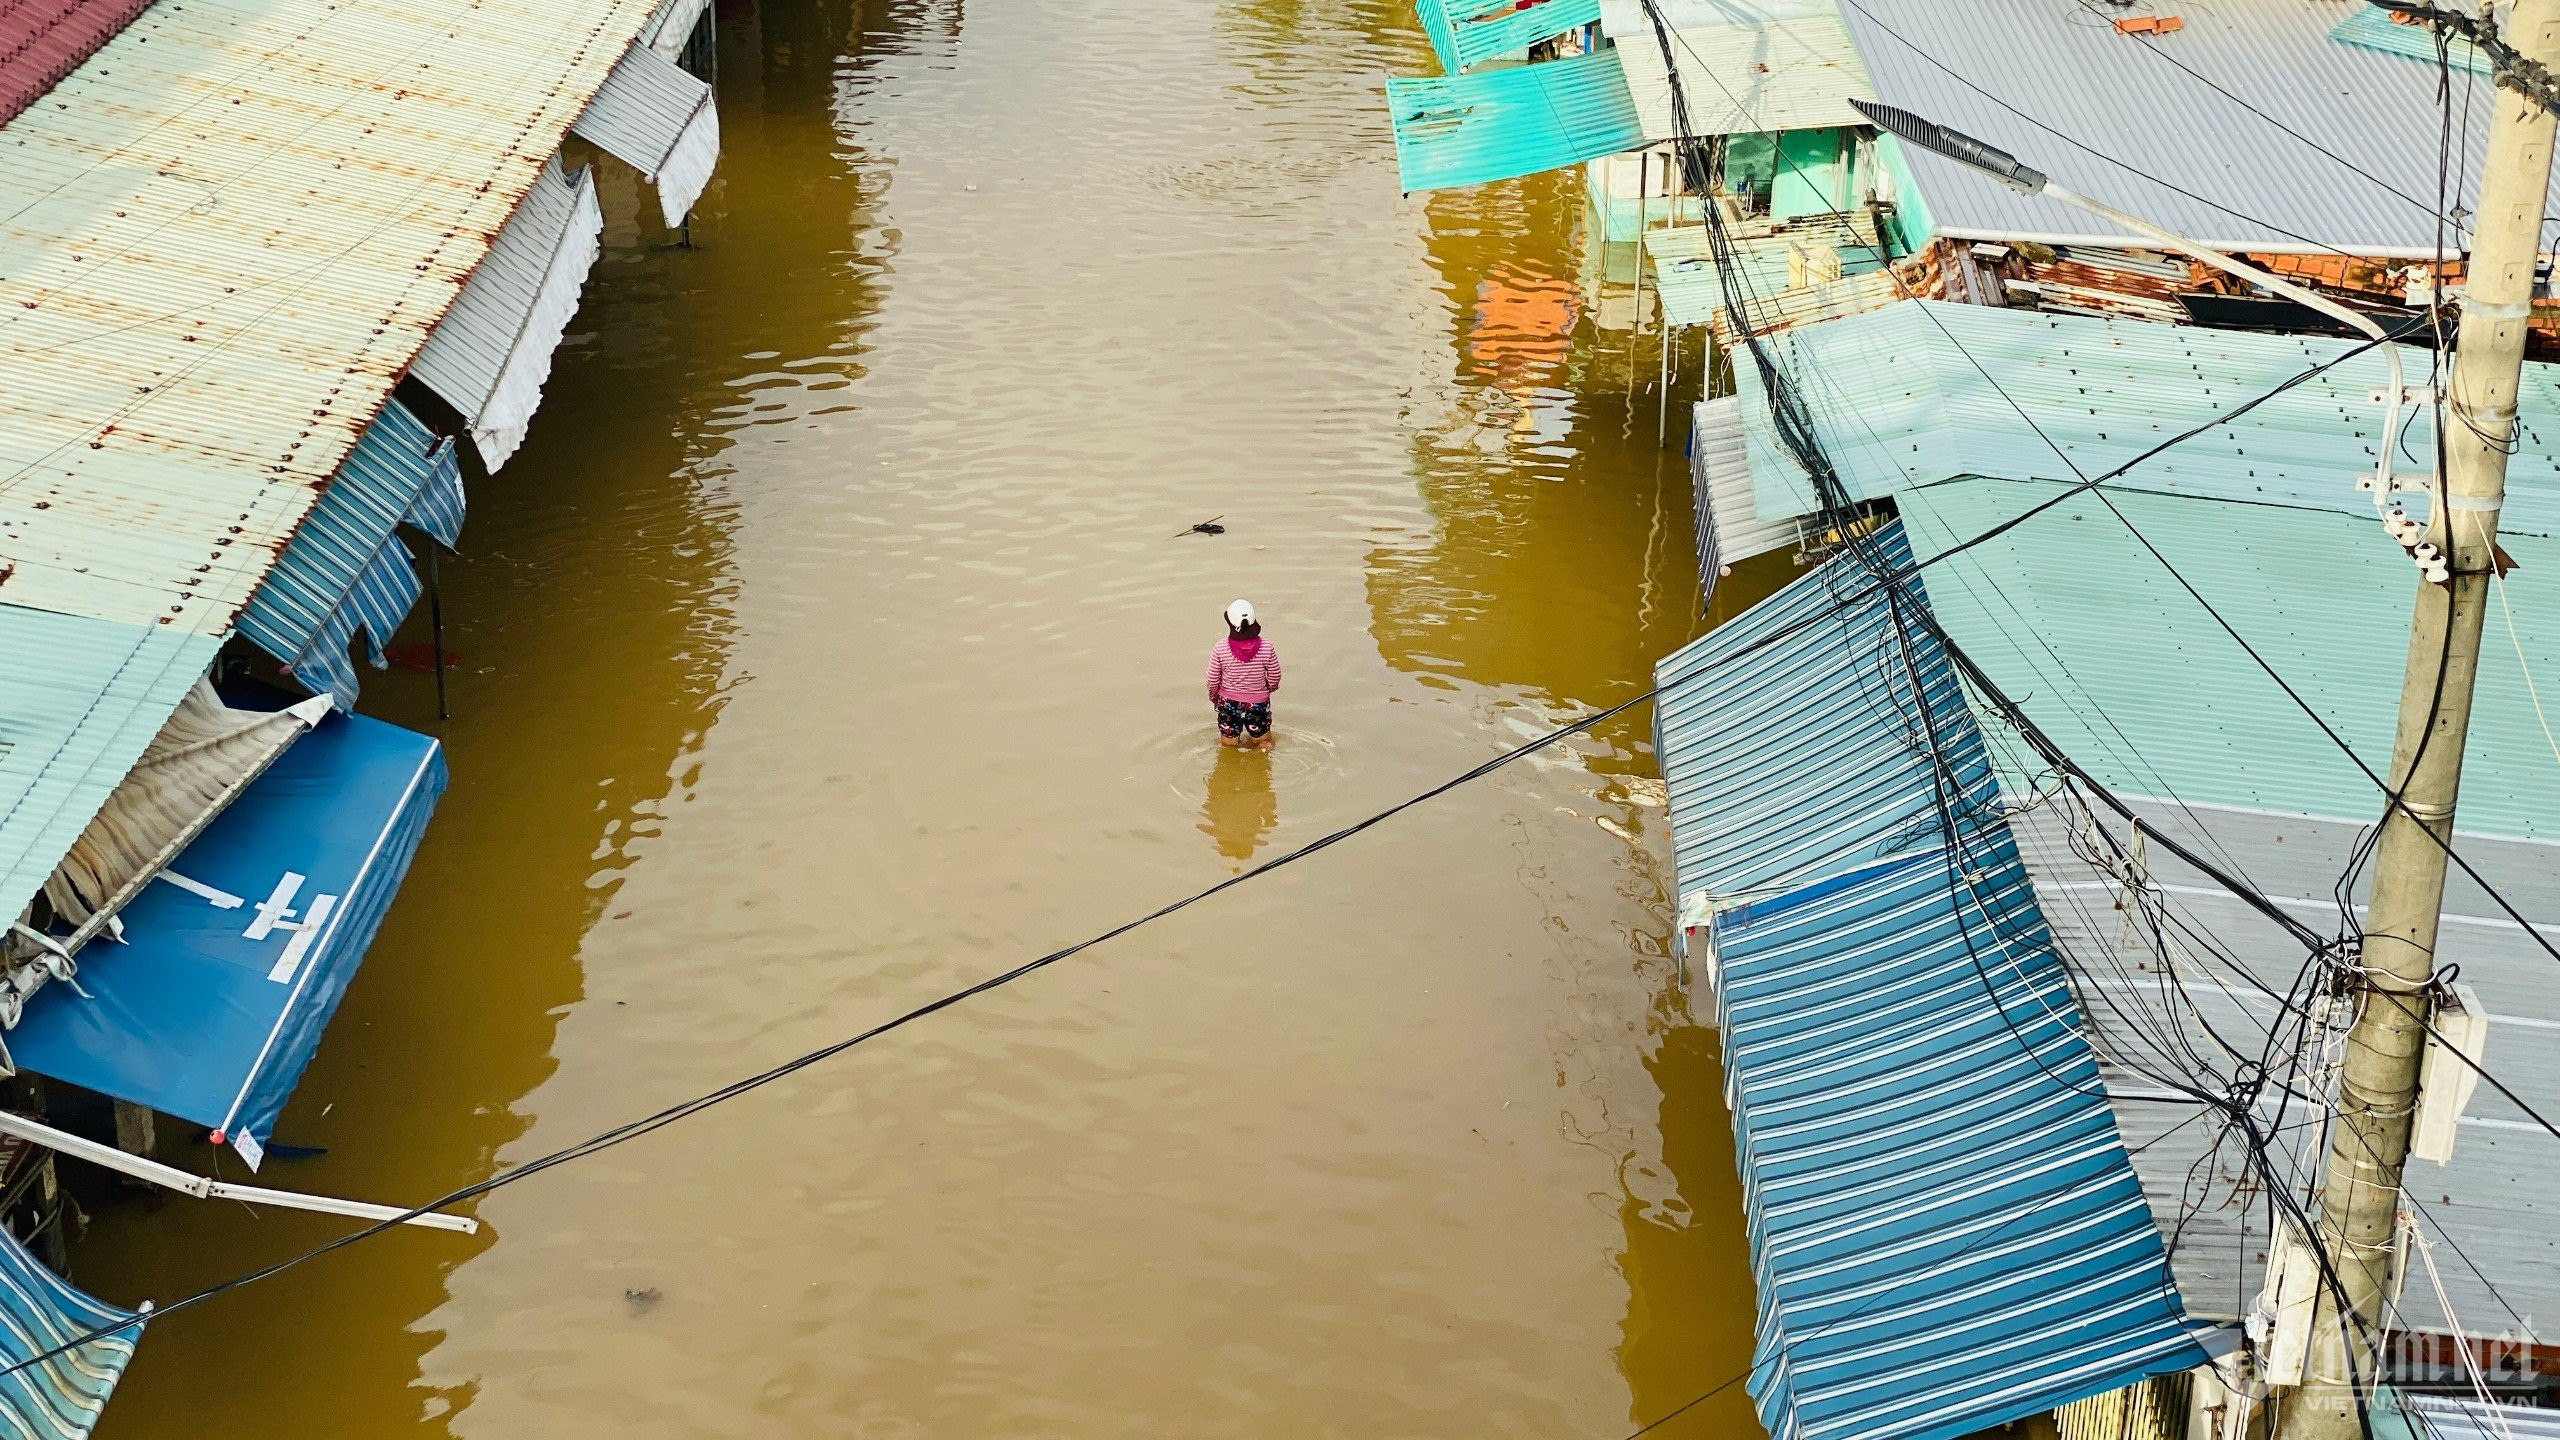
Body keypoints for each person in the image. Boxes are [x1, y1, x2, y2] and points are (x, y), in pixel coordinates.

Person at [1206, 599, 1282, 747]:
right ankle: (1262, 760)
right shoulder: (1267, 647)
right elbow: (1275, 676)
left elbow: (1212, 679)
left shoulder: (1220, 648)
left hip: (1227, 703)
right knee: (1264, 741)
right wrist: (1267, 690)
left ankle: (1231, 767)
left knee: (1229, 745)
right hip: (1258, 704)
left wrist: (1214, 696)